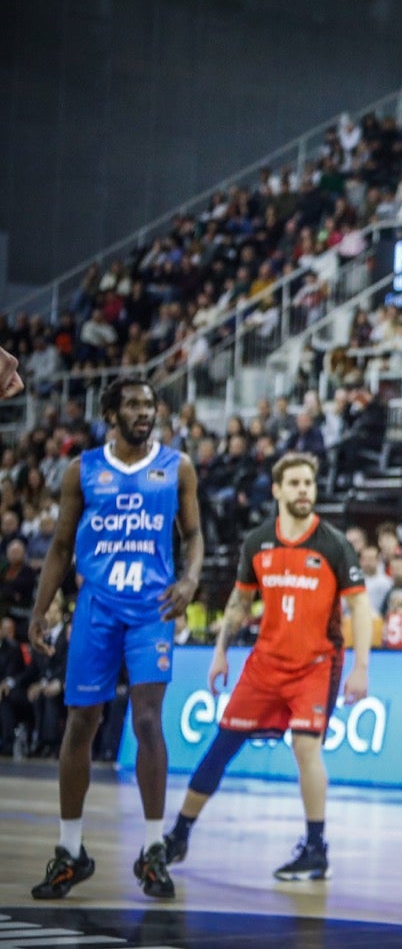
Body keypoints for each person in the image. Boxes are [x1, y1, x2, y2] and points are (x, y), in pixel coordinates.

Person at [29, 377, 203, 900]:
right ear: (111, 412)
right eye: (132, 404)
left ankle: (153, 851)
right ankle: (70, 850)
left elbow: (193, 536)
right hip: (96, 608)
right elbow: (60, 546)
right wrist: (41, 610)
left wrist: (190, 580)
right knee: (81, 720)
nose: (144, 412)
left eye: (149, 405)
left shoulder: (178, 467)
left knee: (148, 718)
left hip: (152, 609)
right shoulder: (81, 470)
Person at [161, 452, 370, 880]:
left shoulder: (332, 542)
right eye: (294, 484)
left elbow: (360, 606)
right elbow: (239, 601)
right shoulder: (258, 541)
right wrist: (220, 651)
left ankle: (315, 847)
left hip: (316, 664)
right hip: (264, 664)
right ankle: (178, 835)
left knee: (306, 747)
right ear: (277, 490)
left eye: (308, 484)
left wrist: (361, 666)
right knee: (222, 746)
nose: (303, 491)